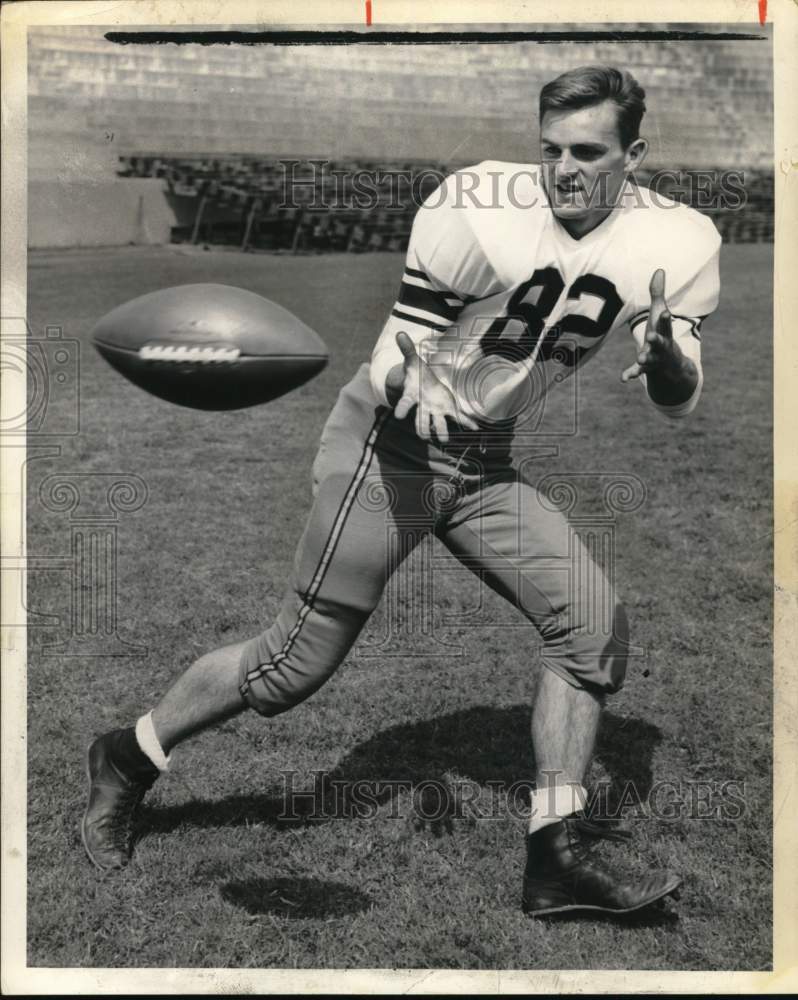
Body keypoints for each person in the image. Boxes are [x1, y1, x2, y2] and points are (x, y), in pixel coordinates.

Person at [82, 65, 720, 917]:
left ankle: (555, 856)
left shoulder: (677, 241)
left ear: (633, 156)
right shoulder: (480, 206)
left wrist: (672, 363)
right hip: (392, 448)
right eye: (551, 149)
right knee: (286, 668)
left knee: (590, 628)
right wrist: (406, 381)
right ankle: (128, 755)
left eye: (588, 152)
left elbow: (676, 397)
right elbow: (399, 343)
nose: (564, 169)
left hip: (483, 455)